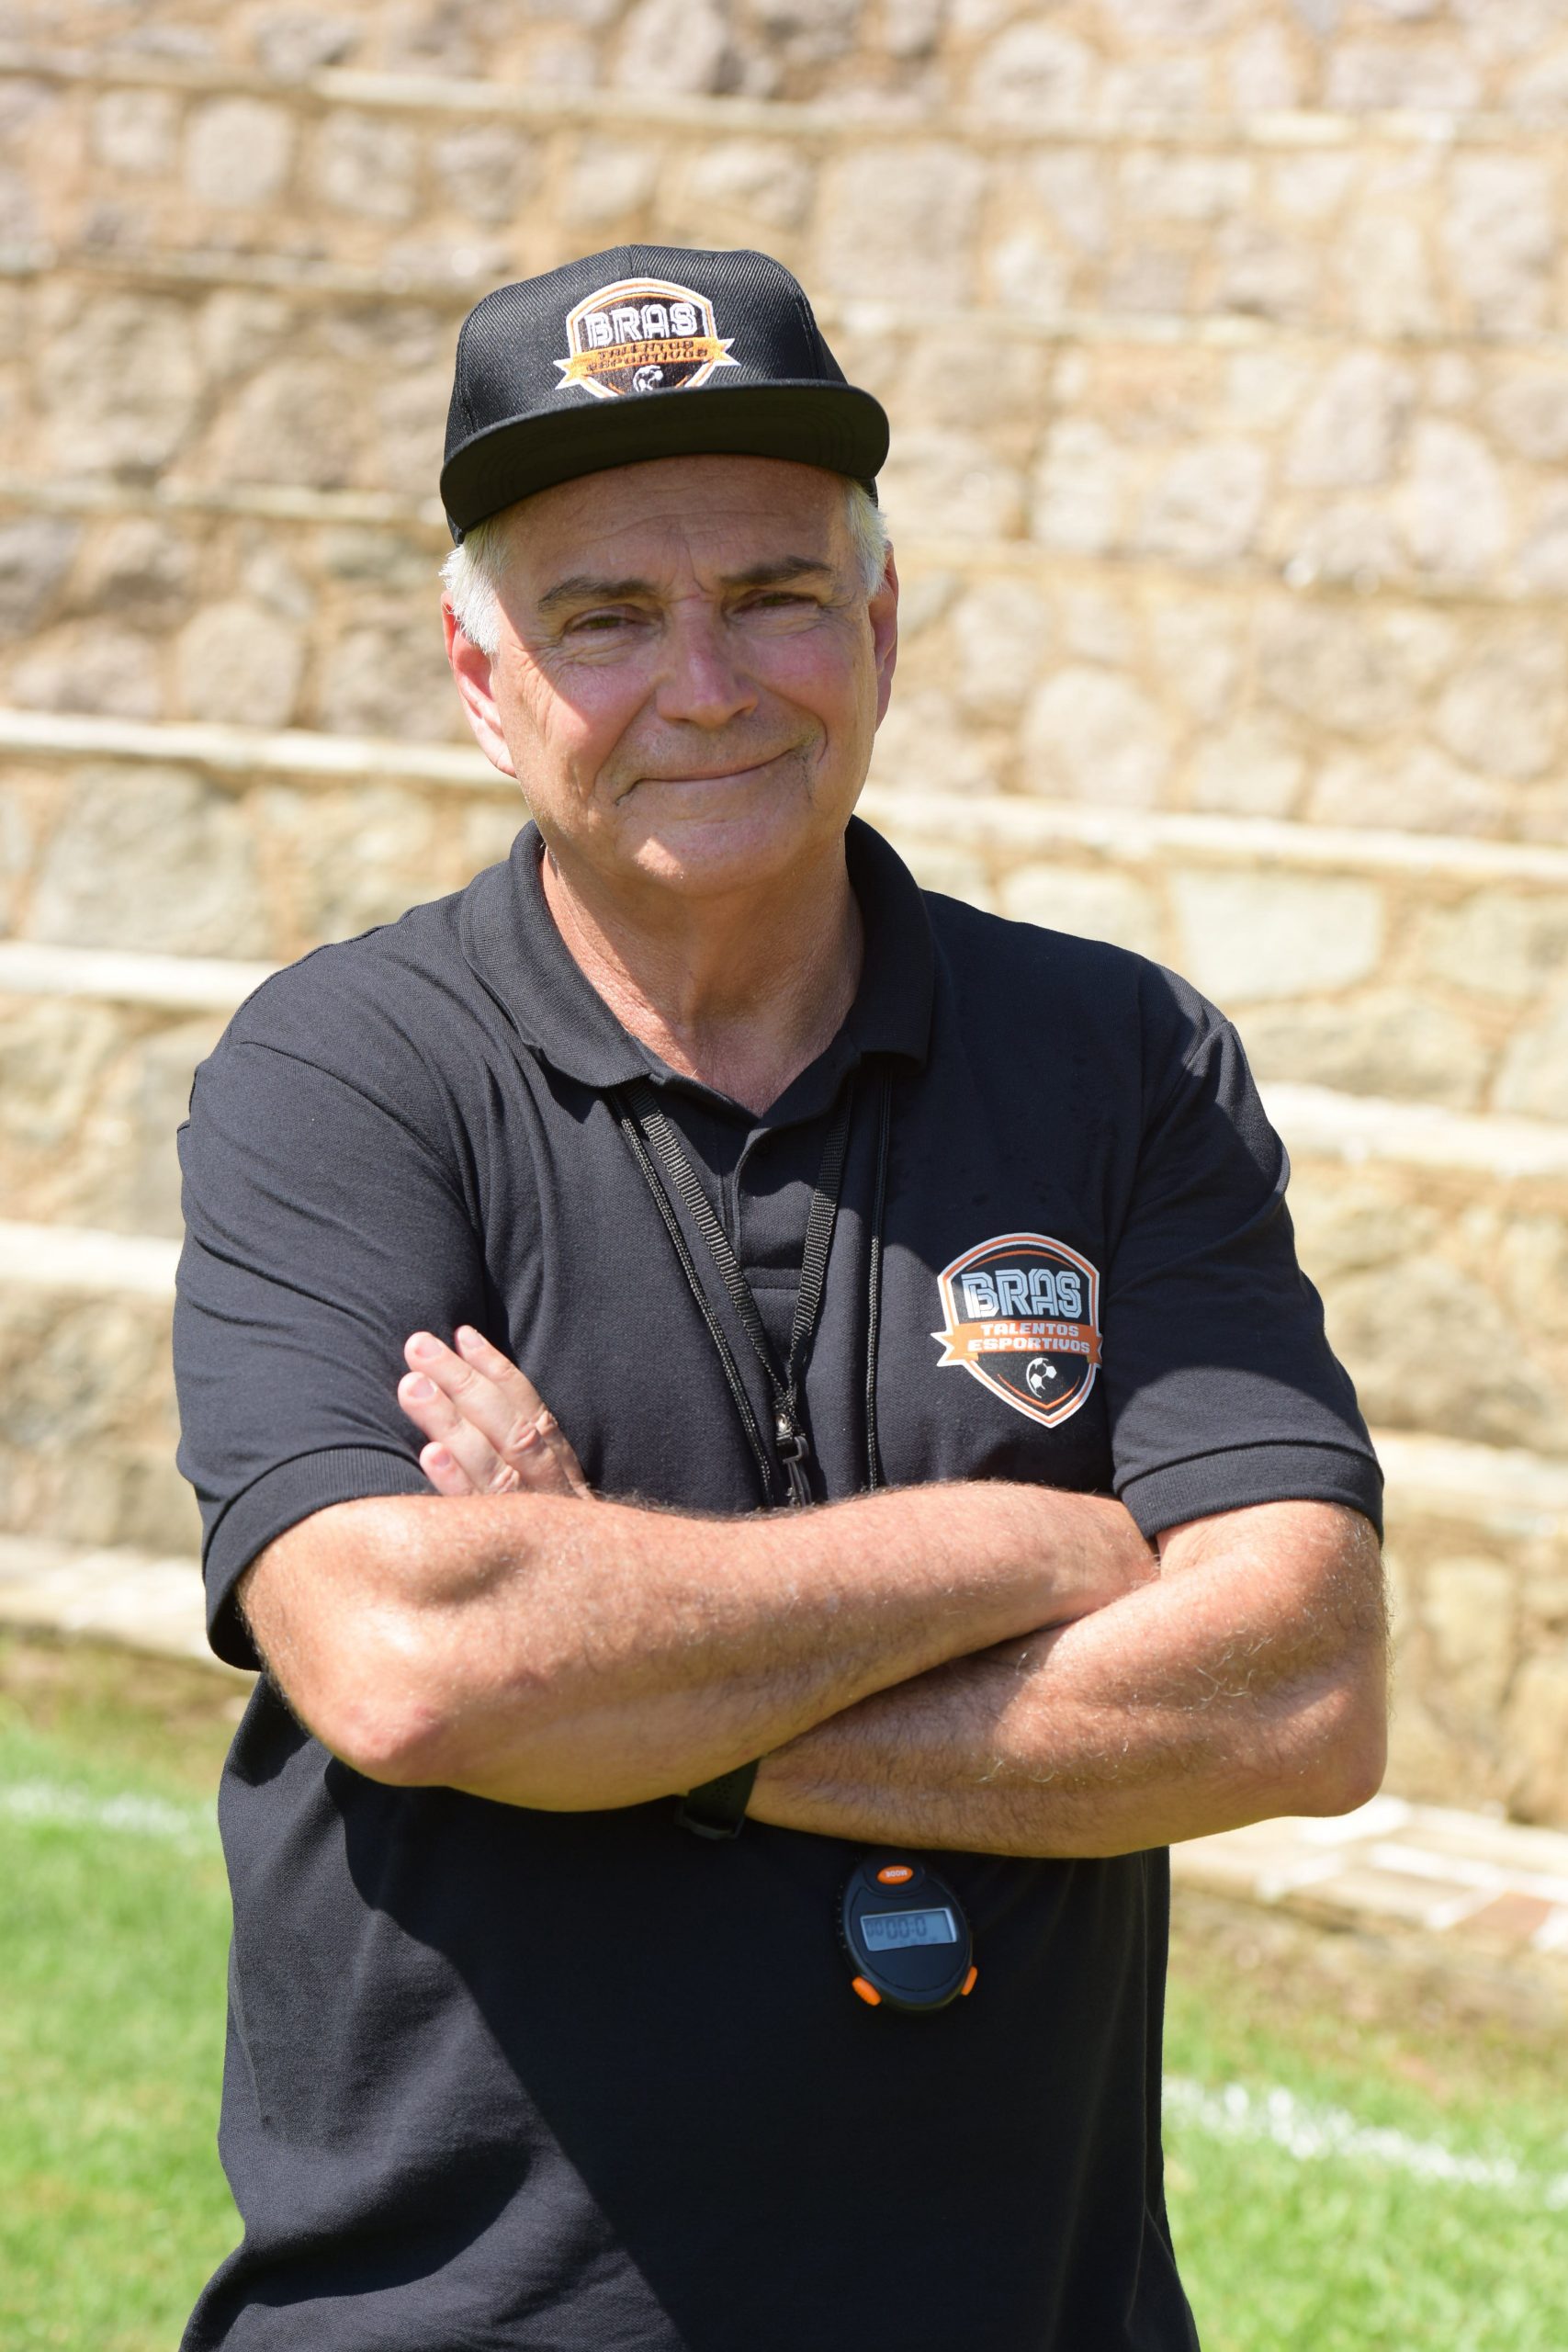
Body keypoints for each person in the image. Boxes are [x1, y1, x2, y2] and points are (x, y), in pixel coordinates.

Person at [173, 245, 1387, 2352]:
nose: (707, 683)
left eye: (772, 594)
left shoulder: (1119, 1059)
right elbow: (417, 1663)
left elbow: (1293, 1688)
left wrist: (632, 1701)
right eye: (604, 617)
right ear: (480, 676)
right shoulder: (341, 1072)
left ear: (879, 625)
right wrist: (1026, 1550)